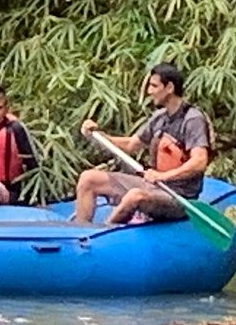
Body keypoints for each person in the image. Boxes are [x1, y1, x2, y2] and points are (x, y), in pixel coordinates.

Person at [72, 62, 212, 224]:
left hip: (179, 197)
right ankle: (81, 231)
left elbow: (199, 162)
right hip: (155, 186)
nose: (149, 91)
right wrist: (98, 136)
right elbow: (131, 145)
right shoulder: (159, 117)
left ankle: (103, 233)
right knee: (88, 178)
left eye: (154, 86)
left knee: (135, 196)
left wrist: (162, 176)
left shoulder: (192, 119)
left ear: (169, 88)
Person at [0, 84, 39, 210]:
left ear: (6, 109)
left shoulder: (16, 129)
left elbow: (33, 167)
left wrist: (36, 200)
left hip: (10, 193)